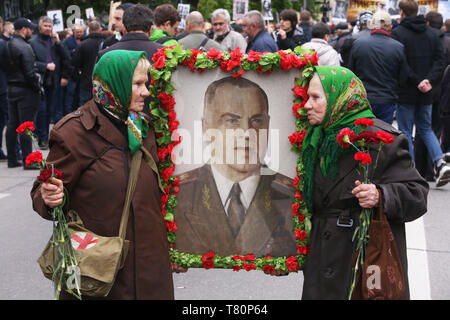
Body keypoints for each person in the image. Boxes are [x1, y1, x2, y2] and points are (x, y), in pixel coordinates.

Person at [30, 50, 174, 300]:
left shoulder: (145, 128)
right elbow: (44, 193)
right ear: (114, 84)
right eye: (138, 84)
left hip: (151, 269)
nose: (146, 92)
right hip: (100, 272)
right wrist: (48, 196)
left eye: (146, 83)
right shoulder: (74, 133)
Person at [300, 66, 429, 300]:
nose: (307, 105)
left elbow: (417, 194)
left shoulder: (383, 140)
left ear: (341, 99)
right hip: (322, 259)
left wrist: (381, 195)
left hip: (364, 264)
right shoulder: (313, 139)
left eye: (316, 97)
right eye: (307, 97)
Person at [174, 76, 297, 258]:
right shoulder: (179, 194)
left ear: (268, 125)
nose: (247, 133)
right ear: (206, 128)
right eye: (232, 121)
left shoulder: (291, 194)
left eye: (257, 121)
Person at [390, 0, 450, 187]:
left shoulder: (398, 33)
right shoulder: (433, 35)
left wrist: (416, 81)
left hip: (407, 88)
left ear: (401, 12)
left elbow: (400, 62)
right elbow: (440, 61)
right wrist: (428, 81)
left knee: (406, 130)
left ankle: (411, 169)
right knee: (425, 128)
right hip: (427, 90)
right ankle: (439, 162)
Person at [98, 4, 163, 116]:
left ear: (124, 28)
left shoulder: (106, 55)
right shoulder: (164, 53)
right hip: (154, 123)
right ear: (151, 29)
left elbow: (100, 95)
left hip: (115, 123)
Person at [348, 11, 411, 124]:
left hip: (363, 98)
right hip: (386, 98)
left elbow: (351, 72)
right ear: (390, 27)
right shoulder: (398, 47)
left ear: (372, 25)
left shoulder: (358, 44)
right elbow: (403, 76)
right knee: (384, 135)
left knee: (361, 135)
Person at [3, 18, 41, 169]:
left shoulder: (7, 45)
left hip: (12, 88)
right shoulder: (24, 47)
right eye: (30, 29)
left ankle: (13, 158)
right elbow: (30, 72)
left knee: (13, 124)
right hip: (25, 90)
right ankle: (27, 160)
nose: (32, 31)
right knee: (25, 125)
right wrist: (37, 87)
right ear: (24, 29)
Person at [30, 16, 70, 149]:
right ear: (40, 27)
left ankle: (48, 137)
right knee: (42, 111)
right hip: (39, 81)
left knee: (51, 111)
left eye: (50, 26)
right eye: (45, 26)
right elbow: (30, 63)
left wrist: (59, 43)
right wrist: (44, 66)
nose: (48, 28)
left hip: (54, 81)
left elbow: (67, 58)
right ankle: (42, 138)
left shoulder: (54, 42)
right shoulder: (33, 42)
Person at [71, 20, 106, 107]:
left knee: (84, 107)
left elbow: (75, 63)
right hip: (103, 82)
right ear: (100, 29)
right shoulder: (106, 43)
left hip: (86, 81)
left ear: (89, 30)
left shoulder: (82, 44)